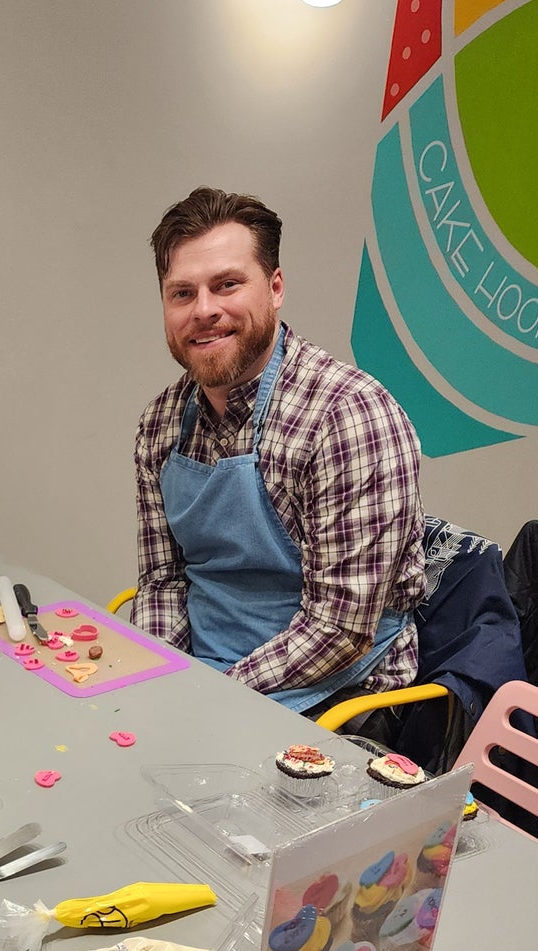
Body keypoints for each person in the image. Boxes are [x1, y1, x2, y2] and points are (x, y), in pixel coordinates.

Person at [133, 187, 426, 715]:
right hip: (201, 682)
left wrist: (208, 702)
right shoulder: (160, 424)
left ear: (275, 288)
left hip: (336, 694)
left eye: (227, 285)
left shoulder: (347, 416)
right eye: (182, 293)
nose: (204, 311)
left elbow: (340, 631)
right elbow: (163, 582)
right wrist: (161, 682)